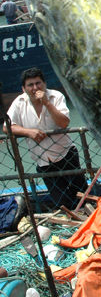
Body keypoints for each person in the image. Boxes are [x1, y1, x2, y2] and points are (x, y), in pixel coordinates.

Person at [5, 68, 87, 209]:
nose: (35, 88)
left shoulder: (56, 96)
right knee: (61, 203)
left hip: (66, 154)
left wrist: (47, 103)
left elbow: (64, 123)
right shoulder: (19, 102)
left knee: (83, 195)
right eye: (30, 85)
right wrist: (28, 132)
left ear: (45, 84)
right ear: (23, 88)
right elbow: (7, 127)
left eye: (38, 83)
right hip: (42, 160)